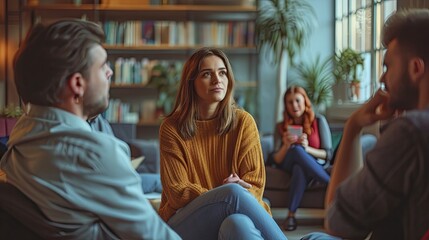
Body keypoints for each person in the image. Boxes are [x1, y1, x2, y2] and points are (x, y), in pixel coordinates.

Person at [0, 19, 180, 239]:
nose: (110, 72)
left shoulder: (22, 136)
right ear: (77, 84)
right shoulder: (96, 153)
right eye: (103, 65)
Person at [304, 9, 429, 240]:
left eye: (388, 67)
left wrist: (353, 128)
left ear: (415, 69)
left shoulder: (411, 133)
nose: (382, 79)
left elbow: (337, 221)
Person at [158, 47, 286, 240]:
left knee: (237, 224)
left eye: (222, 73)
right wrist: (224, 195)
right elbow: (178, 193)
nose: (217, 80)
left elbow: (256, 187)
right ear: (191, 82)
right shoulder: (171, 128)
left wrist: (236, 194)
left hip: (235, 214)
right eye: (207, 74)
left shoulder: (244, 122)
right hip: (182, 224)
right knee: (233, 193)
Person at [267, 86, 332, 231]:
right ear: (286, 105)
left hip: (313, 163)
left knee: (299, 168)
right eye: (290, 102)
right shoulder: (280, 126)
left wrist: (307, 148)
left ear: (305, 101)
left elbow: (328, 154)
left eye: (297, 100)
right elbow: (275, 160)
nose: (294, 105)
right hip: (287, 163)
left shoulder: (319, 121)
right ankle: (331, 183)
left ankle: (291, 216)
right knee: (295, 150)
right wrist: (286, 145)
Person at [88, 114, 162, 194]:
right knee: (162, 181)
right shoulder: (84, 128)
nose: (107, 100)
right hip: (111, 181)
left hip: (118, 175)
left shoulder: (99, 120)